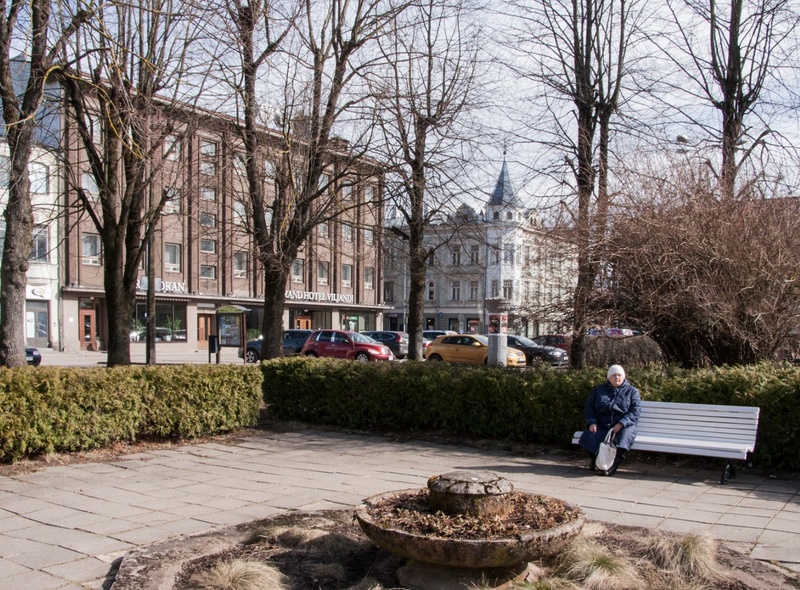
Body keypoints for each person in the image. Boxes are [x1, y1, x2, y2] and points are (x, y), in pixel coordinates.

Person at [579, 364, 641, 476]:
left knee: (623, 439)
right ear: (609, 378)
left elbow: (635, 412)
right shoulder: (599, 390)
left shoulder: (632, 391)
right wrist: (592, 422)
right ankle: (598, 460)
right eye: (614, 375)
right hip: (603, 423)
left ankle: (613, 466)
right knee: (587, 437)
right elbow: (589, 407)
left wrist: (621, 424)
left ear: (623, 377)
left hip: (625, 424)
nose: (617, 378)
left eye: (619, 375)